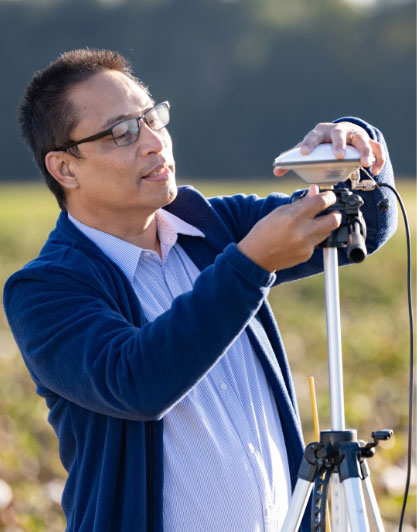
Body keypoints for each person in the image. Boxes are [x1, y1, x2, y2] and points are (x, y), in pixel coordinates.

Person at [3, 49, 396, 532]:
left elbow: (366, 224)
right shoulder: (44, 288)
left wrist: (355, 145)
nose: (153, 142)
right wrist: (250, 264)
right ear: (66, 168)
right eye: (122, 132)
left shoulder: (213, 225)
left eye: (152, 118)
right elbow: (136, 381)